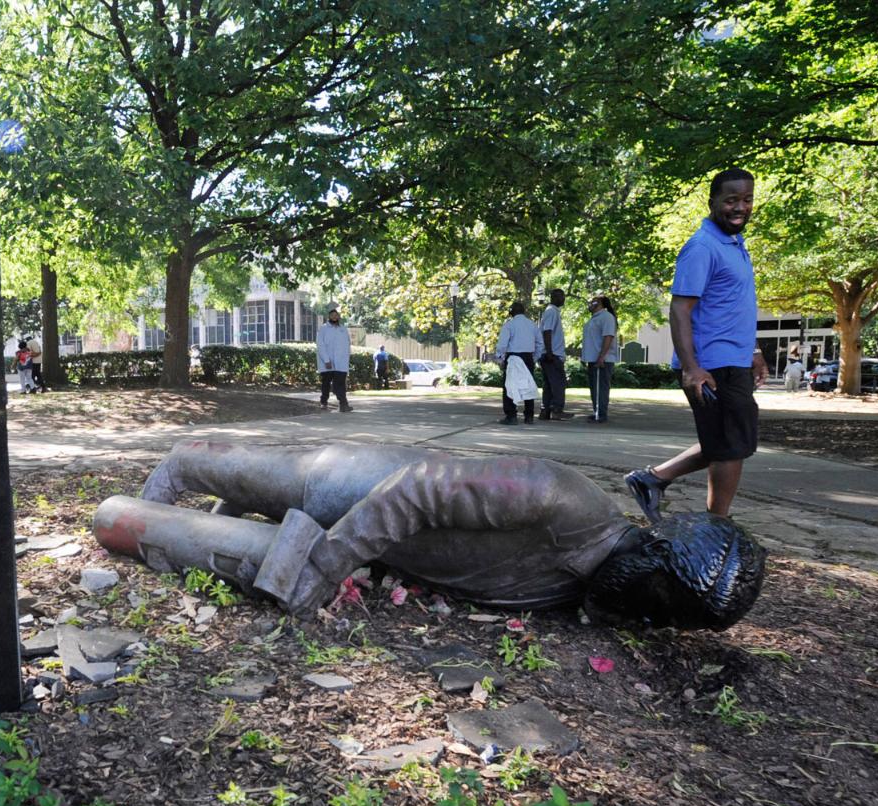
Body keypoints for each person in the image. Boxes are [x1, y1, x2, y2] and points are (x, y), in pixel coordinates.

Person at [99, 440, 765, 629]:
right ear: (655, 550)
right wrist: (329, 566)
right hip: (357, 487)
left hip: (384, 543)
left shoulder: (599, 577)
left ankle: (218, 511)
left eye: (665, 621)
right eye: (657, 606)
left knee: (247, 510)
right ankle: (153, 496)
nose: (649, 622)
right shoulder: (562, 502)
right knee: (222, 473)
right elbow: (419, 489)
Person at [626, 168, 769, 521]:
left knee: (727, 442)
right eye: (731, 200)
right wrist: (691, 367)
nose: (740, 207)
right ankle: (718, 525)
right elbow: (679, 310)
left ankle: (652, 479)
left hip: (732, 360)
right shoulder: (701, 247)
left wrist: (753, 351)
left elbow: (733, 306)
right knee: (730, 447)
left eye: (747, 199)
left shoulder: (734, 243)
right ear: (713, 202)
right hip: (710, 366)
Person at [494, 302, 542, 424]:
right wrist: (535, 357)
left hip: (514, 357)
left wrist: (500, 358)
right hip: (528, 357)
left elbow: (502, 344)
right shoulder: (532, 325)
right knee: (528, 384)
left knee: (509, 385)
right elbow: (540, 343)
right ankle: (529, 415)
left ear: (511, 312)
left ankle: (511, 415)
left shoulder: (509, 325)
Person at [580, 296, 618, 422]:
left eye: (593, 301)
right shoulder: (594, 318)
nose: (590, 303)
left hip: (602, 360)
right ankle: (597, 411)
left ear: (600, 303)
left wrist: (601, 357)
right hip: (592, 358)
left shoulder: (606, 317)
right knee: (594, 387)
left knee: (601, 387)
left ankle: (601, 413)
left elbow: (608, 337)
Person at [538, 289, 569, 419]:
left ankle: (545, 411)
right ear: (554, 297)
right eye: (561, 296)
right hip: (552, 354)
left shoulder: (551, 311)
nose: (563, 299)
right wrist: (549, 351)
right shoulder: (551, 311)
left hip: (550, 354)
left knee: (549, 384)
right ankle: (557, 409)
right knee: (558, 383)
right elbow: (547, 331)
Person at [316, 306, 352, 412]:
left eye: (336, 315)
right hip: (327, 362)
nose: (335, 317)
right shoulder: (323, 329)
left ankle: (343, 405)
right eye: (332, 315)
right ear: (329, 317)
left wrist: (346, 359)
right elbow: (320, 345)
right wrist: (326, 360)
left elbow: (347, 344)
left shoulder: (343, 329)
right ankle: (323, 402)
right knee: (326, 384)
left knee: (340, 383)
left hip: (341, 363)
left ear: (339, 317)